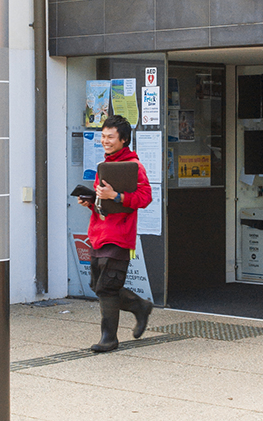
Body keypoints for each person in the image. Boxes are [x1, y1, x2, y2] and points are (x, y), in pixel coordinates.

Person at [77, 115, 153, 352]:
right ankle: (140, 306)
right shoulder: (105, 165)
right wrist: (91, 201)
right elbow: (105, 202)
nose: (105, 141)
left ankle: (108, 339)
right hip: (99, 233)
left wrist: (117, 196)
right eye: (103, 136)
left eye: (110, 137)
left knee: (107, 287)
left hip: (119, 236)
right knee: (97, 285)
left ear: (124, 140)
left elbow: (145, 197)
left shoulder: (133, 166)